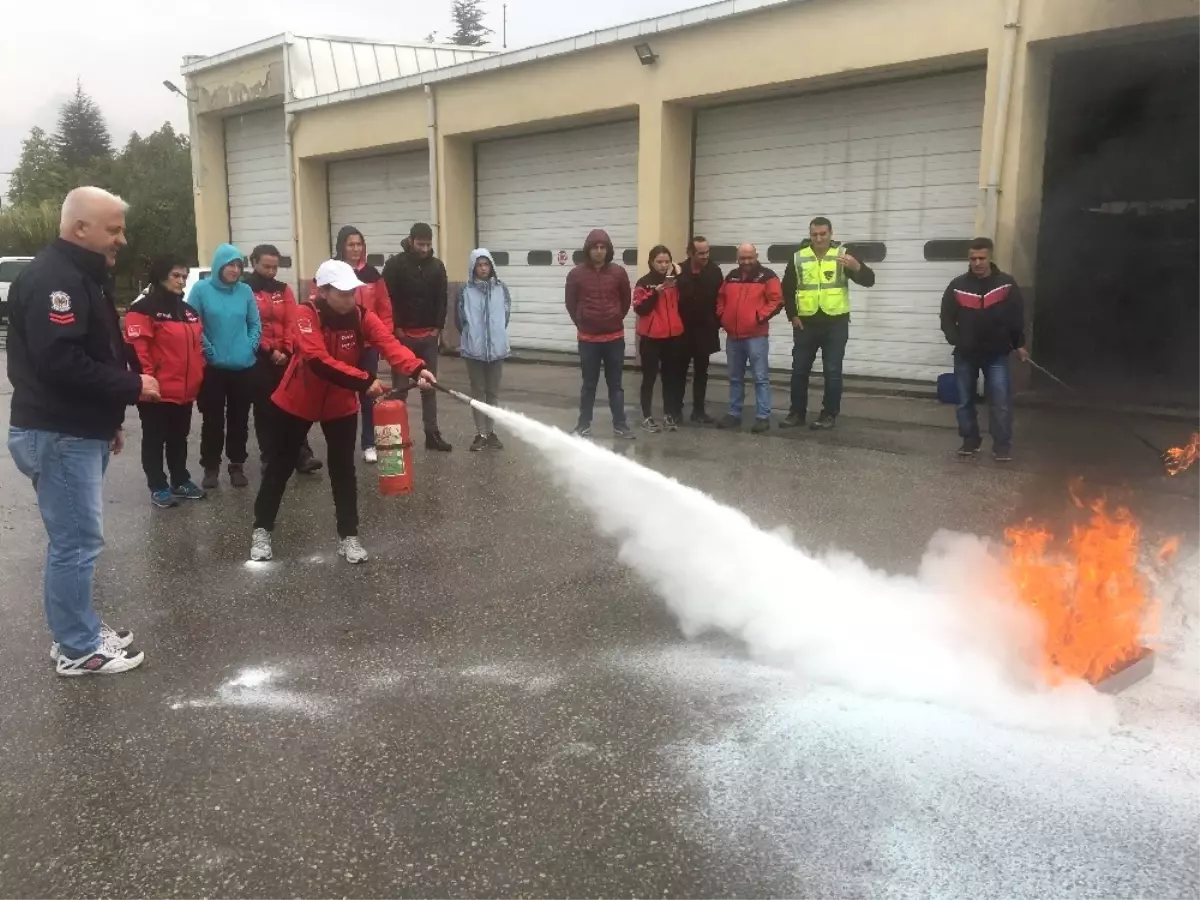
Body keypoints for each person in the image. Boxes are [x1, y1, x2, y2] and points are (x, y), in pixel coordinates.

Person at [6, 186, 159, 675]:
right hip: (58, 432)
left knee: (72, 539)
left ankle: (78, 627)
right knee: (75, 542)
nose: (122, 239)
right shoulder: (58, 280)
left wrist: (108, 419)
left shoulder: (80, 275)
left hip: (76, 429)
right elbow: (60, 362)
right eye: (113, 230)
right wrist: (132, 385)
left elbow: (91, 352)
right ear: (80, 229)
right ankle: (77, 648)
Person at [251, 260, 437, 564]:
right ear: (322, 292)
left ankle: (349, 537)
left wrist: (417, 369)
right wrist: (365, 380)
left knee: (343, 472)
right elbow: (317, 360)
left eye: (353, 292)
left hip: (340, 404)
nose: (351, 298)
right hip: (297, 401)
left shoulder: (362, 316)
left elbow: (390, 344)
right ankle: (262, 530)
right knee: (280, 466)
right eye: (343, 292)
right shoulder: (305, 314)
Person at [124, 254, 207, 508]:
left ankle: (180, 479)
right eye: (176, 275)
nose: (181, 281)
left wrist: (199, 375)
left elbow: (198, 349)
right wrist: (149, 383)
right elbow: (137, 350)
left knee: (179, 437)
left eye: (184, 276)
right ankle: (158, 485)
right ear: (161, 277)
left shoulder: (188, 312)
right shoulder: (142, 309)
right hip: (155, 391)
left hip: (185, 390)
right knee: (154, 438)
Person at [780, 217, 876, 430]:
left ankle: (829, 414)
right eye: (815, 234)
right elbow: (786, 289)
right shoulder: (798, 258)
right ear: (810, 234)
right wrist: (793, 315)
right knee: (799, 370)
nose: (819, 238)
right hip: (806, 324)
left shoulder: (843, 255)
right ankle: (797, 413)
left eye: (823, 234)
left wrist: (857, 267)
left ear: (831, 233)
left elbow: (870, 280)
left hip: (836, 323)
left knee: (832, 371)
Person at [939, 237, 1028, 462]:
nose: (977, 263)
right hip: (965, 354)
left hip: (996, 353)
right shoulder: (957, 285)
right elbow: (946, 317)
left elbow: (1017, 317)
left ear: (990, 258)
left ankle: (1002, 446)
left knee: (1000, 401)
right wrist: (955, 339)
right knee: (965, 401)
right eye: (973, 259)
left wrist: (1019, 344)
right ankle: (970, 441)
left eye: (981, 258)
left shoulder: (1006, 284)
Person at [187, 243, 261, 489]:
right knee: (212, 419)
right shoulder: (201, 290)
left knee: (239, 418)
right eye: (231, 264)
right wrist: (208, 349)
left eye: (239, 265)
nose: (235, 270)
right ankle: (211, 466)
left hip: (243, 366)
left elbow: (255, 323)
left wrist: (250, 345)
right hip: (213, 367)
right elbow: (193, 324)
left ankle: (237, 464)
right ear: (220, 264)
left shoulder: (245, 291)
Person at [319, 226, 394, 464]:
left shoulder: (373, 275)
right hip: (340, 343)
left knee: (369, 393)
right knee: (339, 391)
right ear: (342, 246)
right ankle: (339, 441)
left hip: (368, 344)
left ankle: (369, 443)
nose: (355, 249)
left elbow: (384, 308)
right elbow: (318, 304)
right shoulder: (330, 272)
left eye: (359, 244)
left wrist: (383, 339)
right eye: (351, 244)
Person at [247, 244, 322, 475]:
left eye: (275, 267)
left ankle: (302, 455)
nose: (271, 271)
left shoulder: (284, 290)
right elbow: (250, 324)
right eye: (266, 266)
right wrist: (269, 351)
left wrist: (287, 350)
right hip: (259, 356)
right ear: (254, 263)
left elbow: (292, 321)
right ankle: (270, 456)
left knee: (294, 405)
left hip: (286, 355)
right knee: (265, 409)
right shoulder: (245, 289)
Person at [381, 223, 451, 452]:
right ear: (411, 241)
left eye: (429, 245)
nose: (424, 249)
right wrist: (396, 329)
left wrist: (437, 329)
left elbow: (442, 299)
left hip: (428, 336)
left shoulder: (437, 267)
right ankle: (398, 434)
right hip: (403, 337)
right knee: (400, 388)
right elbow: (386, 299)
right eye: (421, 244)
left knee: (429, 386)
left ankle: (432, 434)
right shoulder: (395, 265)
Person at [565, 228, 634, 439]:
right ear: (588, 249)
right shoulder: (576, 275)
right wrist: (583, 321)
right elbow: (570, 303)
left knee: (616, 385)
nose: (599, 251)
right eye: (595, 247)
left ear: (608, 250)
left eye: (603, 247)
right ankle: (583, 425)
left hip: (614, 339)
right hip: (588, 340)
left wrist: (614, 318)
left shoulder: (618, 273)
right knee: (589, 385)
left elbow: (625, 301)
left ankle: (620, 425)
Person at [716, 244, 782, 433]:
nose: (746, 262)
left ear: (756, 256)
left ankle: (763, 417)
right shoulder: (731, 276)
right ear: (738, 258)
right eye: (742, 258)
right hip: (733, 336)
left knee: (760, 378)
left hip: (756, 337)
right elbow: (720, 298)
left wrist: (758, 317)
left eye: (749, 258)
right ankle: (734, 413)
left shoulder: (768, 276)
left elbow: (777, 300)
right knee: (735, 378)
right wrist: (723, 316)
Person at [456, 248, 511, 451]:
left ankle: (491, 431)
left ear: (491, 266)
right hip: (474, 351)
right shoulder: (465, 291)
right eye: (479, 265)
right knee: (478, 393)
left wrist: (495, 337)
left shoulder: (501, 289)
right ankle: (480, 433)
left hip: (496, 351)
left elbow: (505, 316)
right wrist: (472, 337)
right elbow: (460, 320)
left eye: (486, 264)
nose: (483, 268)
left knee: (493, 393)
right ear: (473, 267)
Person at [632, 245, 686, 432]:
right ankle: (647, 416)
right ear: (651, 262)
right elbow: (640, 308)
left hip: (672, 336)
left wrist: (680, 275)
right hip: (651, 337)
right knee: (649, 378)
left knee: (670, 378)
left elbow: (688, 297)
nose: (663, 266)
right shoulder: (644, 282)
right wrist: (656, 292)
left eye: (666, 262)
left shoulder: (675, 282)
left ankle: (669, 415)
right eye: (659, 262)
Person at [675, 235, 723, 424]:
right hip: (682, 331)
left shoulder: (714, 271)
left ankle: (699, 410)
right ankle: (676, 411)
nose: (705, 257)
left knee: (702, 372)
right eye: (700, 253)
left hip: (705, 329)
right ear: (690, 253)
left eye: (707, 252)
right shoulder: (679, 270)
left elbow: (721, 298)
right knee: (679, 372)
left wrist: (717, 322)